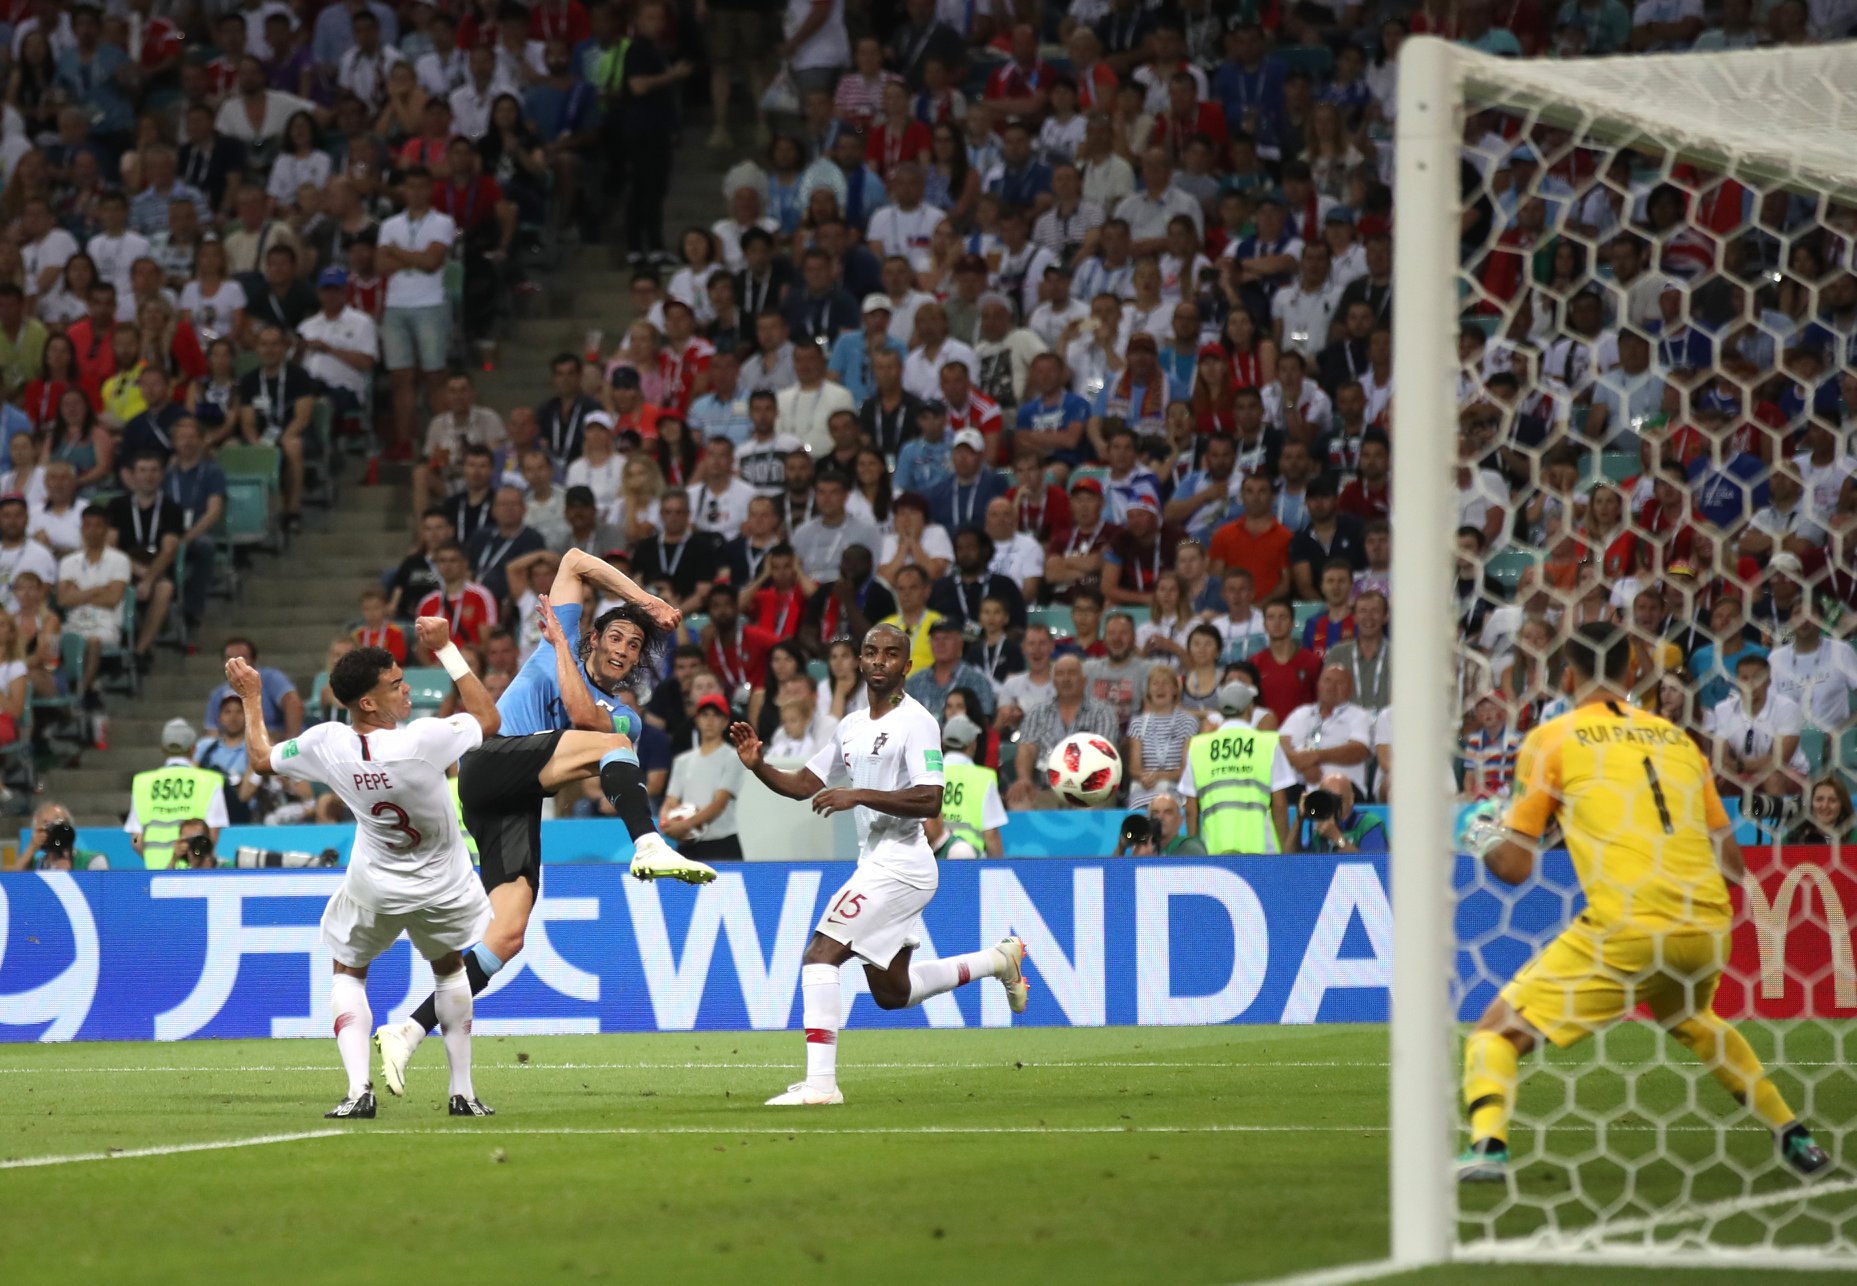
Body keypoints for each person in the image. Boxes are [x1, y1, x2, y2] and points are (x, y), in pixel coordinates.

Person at [1456, 622, 1830, 1183]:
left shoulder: (1552, 737)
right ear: (1634, 673)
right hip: (1706, 924)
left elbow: (1514, 869)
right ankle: (1795, 1136)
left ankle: (1487, 1149)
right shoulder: (1679, 740)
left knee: (1495, 1033)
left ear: (1565, 676)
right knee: (1693, 1019)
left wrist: (1479, 834)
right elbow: (1734, 866)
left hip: (1628, 924)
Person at [373, 549, 712, 1096]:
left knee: (506, 936)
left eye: (635, 644)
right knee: (611, 743)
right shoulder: (561, 652)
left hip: (514, 802)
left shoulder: (621, 714)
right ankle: (647, 842)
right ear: (594, 638)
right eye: (617, 636)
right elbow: (577, 561)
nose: (624, 649)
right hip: (488, 762)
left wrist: (561, 651)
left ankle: (407, 1029)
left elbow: (584, 717)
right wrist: (643, 601)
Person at [727, 622, 1030, 1105]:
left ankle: (822, 1087)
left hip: (903, 863)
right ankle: (998, 960)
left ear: (907, 667)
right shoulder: (849, 725)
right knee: (893, 992)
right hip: (877, 862)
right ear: (859, 661)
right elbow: (806, 784)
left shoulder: (918, 721)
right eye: (870, 652)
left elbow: (931, 799)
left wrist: (858, 794)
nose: (878, 661)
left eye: (891, 654)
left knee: (820, 955)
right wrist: (759, 766)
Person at [231, 621, 501, 1119]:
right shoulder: (425, 740)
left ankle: (359, 1092)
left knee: (348, 970)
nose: (407, 690)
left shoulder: (326, 742)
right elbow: (488, 716)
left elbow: (261, 760)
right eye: (396, 685)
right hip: (441, 885)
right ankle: (462, 1092)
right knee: (449, 967)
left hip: (374, 884)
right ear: (369, 703)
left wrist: (251, 697)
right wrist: (445, 649)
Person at [1177, 678, 1298, 853]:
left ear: (1221, 710)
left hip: (1214, 851)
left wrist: (1197, 854)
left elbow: (1191, 808)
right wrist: (1286, 853)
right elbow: (1279, 804)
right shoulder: (1267, 743)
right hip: (1262, 851)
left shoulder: (1199, 746)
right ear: (1249, 708)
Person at [1008, 653, 1122, 808]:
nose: (1066, 679)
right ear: (1053, 681)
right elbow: (1026, 749)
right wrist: (1024, 779)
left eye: (1072, 673)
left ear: (1084, 680)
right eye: (1060, 674)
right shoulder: (1037, 713)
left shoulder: (1102, 713)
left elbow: (1104, 757)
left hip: (1089, 789)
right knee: (1019, 803)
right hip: (1044, 790)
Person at [124, 716, 229, 865]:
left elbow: (135, 840)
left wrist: (151, 857)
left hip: (156, 876)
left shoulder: (143, 783)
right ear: (194, 749)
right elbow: (213, 836)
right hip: (193, 875)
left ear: (163, 749)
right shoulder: (210, 781)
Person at [660, 692, 748, 862]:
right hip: (688, 843)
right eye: (705, 715)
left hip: (722, 843)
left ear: (724, 722)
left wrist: (684, 825)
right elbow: (670, 800)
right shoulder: (682, 761)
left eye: (716, 716)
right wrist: (666, 822)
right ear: (697, 720)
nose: (710, 721)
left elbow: (719, 803)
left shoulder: (732, 758)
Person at [927, 713, 1005, 858]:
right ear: (973, 743)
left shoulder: (930, 773)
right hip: (970, 858)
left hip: (935, 852)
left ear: (943, 742)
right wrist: (998, 868)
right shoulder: (983, 778)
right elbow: (991, 834)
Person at [1297, 772, 1386, 854]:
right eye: (1326, 800)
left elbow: (1374, 864)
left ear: (1351, 799)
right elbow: (1290, 862)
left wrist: (1337, 838)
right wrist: (1298, 820)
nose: (1332, 806)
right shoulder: (1321, 828)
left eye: (1337, 800)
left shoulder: (1368, 824)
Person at [1783, 777, 1857, 845]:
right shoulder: (1793, 837)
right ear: (1810, 803)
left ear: (1842, 804)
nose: (1825, 806)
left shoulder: (1854, 837)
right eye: (1819, 799)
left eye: (1832, 800)